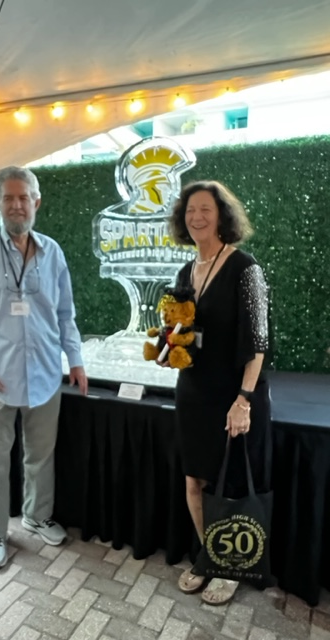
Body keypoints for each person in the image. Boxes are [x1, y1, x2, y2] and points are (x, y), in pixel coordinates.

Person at [0, 166, 88, 569]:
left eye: (24, 197)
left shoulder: (53, 253)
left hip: (46, 374)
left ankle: (36, 516)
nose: (17, 205)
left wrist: (75, 360)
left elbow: (65, 314)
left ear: (36, 202)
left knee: (40, 455)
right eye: (9, 198)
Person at [168, 180, 272, 605]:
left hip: (234, 396)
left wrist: (243, 400)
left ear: (221, 216)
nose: (197, 217)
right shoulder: (184, 272)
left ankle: (230, 566)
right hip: (193, 392)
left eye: (205, 209)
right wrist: (169, 349)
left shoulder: (246, 268)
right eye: (190, 210)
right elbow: (183, 332)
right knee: (195, 480)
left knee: (229, 484)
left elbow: (259, 342)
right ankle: (210, 557)